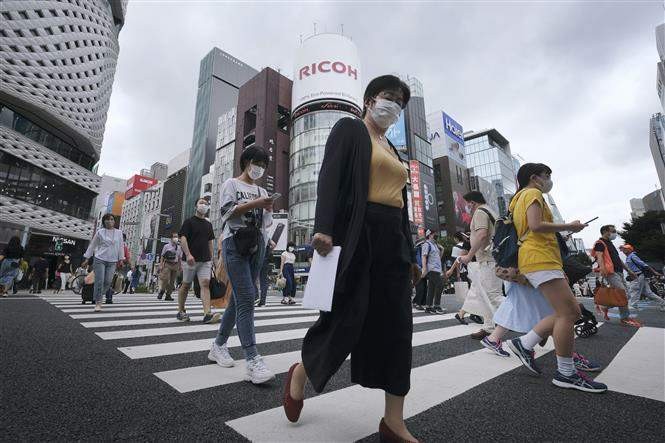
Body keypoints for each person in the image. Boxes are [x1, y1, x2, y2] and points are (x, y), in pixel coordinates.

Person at [282, 75, 421, 441]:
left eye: (400, 103)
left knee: (397, 327)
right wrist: (323, 227)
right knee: (346, 319)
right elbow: (329, 177)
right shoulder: (350, 129)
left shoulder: (392, 149)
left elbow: (401, 203)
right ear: (370, 99)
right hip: (358, 235)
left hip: (393, 240)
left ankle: (393, 420)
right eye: (389, 98)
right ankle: (301, 372)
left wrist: (411, 253)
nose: (394, 107)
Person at [506, 163, 607, 393]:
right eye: (547, 176)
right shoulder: (532, 193)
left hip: (538, 259)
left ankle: (525, 343)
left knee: (571, 312)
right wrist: (569, 226)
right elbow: (536, 225)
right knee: (568, 313)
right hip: (539, 258)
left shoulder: (518, 198)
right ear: (535, 177)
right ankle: (566, 373)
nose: (549, 180)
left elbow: (531, 228)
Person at [208, 145, 275, 384]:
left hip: (257, 245)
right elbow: (227, 213)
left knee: (238, 300)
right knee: (247, 297)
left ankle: (218, 345)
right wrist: (256, 203)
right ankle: (252, 358)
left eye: (264, 165)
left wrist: (267, 208)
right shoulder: (231, 184)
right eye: (257, 163)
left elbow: (266, 222)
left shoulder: (260, 189)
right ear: (246, 161)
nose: (260, 168)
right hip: (235, 243)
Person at [481, 281, 602, 374]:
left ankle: (565, 358)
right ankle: (566, 361)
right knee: (564, 311)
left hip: (532, 265)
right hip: (535, 264)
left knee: (544, 308)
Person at [458, 191, 503, 340]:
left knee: (493, 295)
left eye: (467, 204)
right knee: (484, 294)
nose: (467, 207)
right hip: (491, 257)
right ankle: (489, 326)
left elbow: (482, 234)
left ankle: (531, 323)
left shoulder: (480, 212)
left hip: (488, 259)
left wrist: (469, 255)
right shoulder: (490, 210)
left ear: (473, 202)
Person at [176, 198, 219, 323]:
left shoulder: (208, 224)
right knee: (186, 285)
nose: (204, 205)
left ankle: (207, 314)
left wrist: (212, 259)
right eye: (201, 203)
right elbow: (183, 239)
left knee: (205, 284)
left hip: (205, 260)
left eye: (206, 204)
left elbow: (210, 242)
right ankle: (181, 311)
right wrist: (188, 254)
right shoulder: (189, 222)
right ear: (196, 206)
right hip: (190, 260)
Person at [592, 225, 641, 326]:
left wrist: (629, 270)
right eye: (613, 231)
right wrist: (602, 268)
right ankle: (625, 318)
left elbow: (618, 259)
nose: (615, 233)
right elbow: (599, 256)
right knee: (622, 293)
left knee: (626, 295)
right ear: (605, 231)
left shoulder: (610, 243)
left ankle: (604, 306)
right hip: (611, 272)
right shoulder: (599, 243)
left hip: (619, 272)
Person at [82, 214, 125, 311]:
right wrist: (86, 258)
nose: (110, 221)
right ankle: (98, 302)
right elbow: (92, 245)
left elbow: (121, 246)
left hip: (112, 261)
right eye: (107, 219)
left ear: (114, 221)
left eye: (111, 219)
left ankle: (98, 295)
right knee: (99, 280)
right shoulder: (100, 232)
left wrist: (121, 259)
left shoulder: (119, 233)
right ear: (104, 221)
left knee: (108, 281)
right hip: (99, 259)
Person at [621, 244, 665, 311]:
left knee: (634, 289)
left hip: (638, 276)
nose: (623, 250)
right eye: (623, 249)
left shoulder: (632, 256)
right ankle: (663, 302)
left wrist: (654, 272)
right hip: (639, 276)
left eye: (625, 249)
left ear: (629, 249)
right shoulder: (629, 257)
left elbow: (644, 264)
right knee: (648, 293)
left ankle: (633, 305)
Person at [421, 229, 445, 314]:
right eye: (435, 234)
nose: (436, 235)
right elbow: (424, 257)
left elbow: (438, 258)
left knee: (431, 288)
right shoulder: (426, 244)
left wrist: (442, 249)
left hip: (437, 269)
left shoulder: (434, 245)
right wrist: (424, 268)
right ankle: (437, 306)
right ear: (430, 235)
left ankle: (428, 307)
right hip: (431, 269)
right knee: (440, 285)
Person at [157, 233, 182, 301]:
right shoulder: (166, 246)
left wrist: (180, 267)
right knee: (165, 279)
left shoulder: (179, 247)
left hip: (175, 264)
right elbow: (162, 256)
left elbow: (180, 258)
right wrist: (161, 264)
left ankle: (168, 295)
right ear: (171, 238)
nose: (176, 238)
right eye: (174, 237)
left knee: (172, 281)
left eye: (177, 237)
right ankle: (162, 291)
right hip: (167, 264)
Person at [256, 239, 276, 307]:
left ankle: (256, 297)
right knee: (263, 281)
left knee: (252, 279)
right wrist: (268, 250)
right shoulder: (266, 237)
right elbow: (273, 244)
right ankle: (262, 302)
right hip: (265, 260)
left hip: (256, 259)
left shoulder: (255, 234)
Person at [412, 237, 427, 311]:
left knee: (424, 287)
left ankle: (417, 301)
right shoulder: (416, 250)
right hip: (417, 271)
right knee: (420, 287)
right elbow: (416, 262)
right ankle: (418, 303)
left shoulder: (422, 250)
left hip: (422, 270)